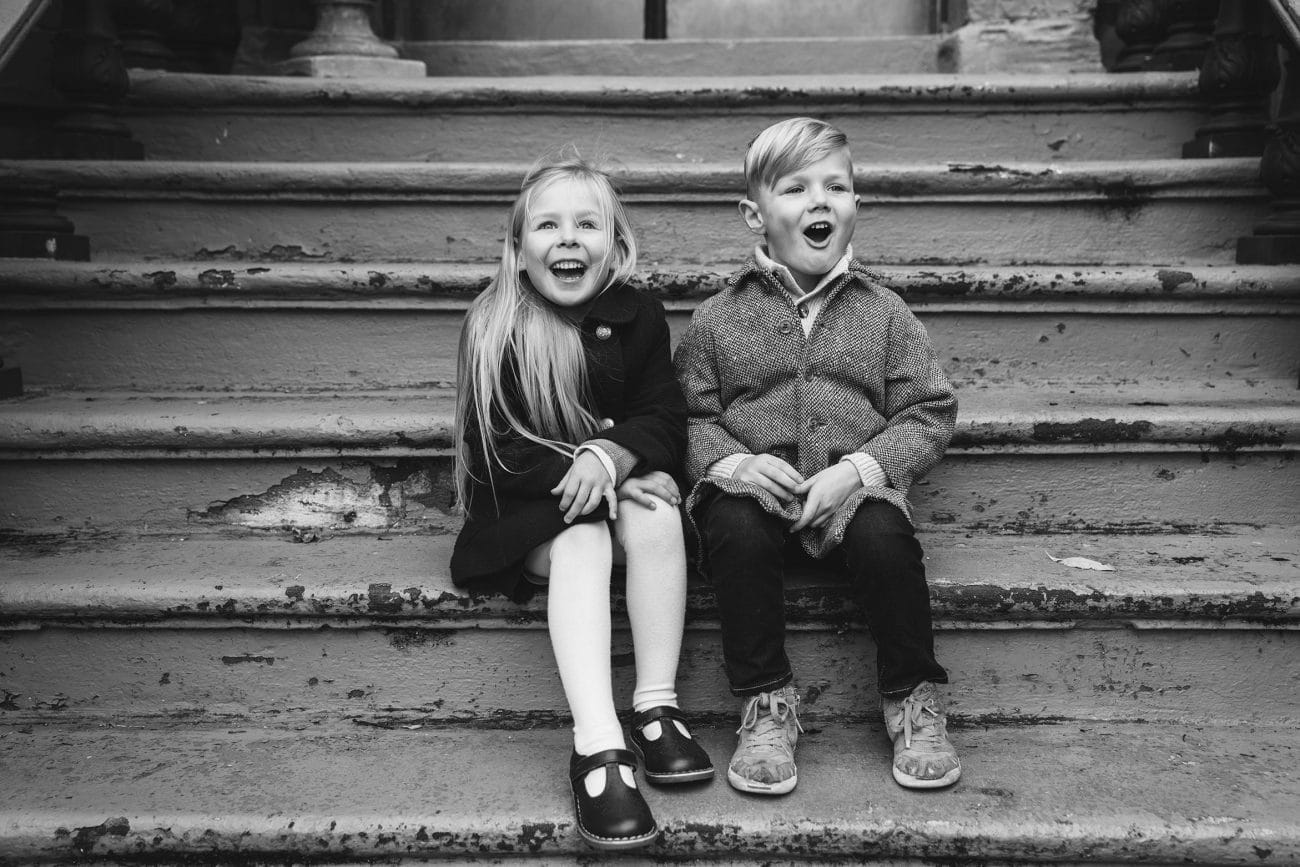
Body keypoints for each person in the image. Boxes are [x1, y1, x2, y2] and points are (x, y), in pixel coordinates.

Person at [673, 117, 960, 795]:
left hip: (852, 490)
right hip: (753, 491)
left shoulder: (885, 313)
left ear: (857, 204)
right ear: (755, 214)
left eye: (837, 186)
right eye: (797, 188)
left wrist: (858, 471)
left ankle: (912, 697)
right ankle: (765, 702)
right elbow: (687, 416)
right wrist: (732, 465)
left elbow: (930, 409)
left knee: (887, 539)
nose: (820, 201)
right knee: (735, 532)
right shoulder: (717, 318)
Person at [450, 153, 713, 851]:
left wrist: (613, 458)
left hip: (603, 489)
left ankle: (656, 704)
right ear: (517, 250)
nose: (567, 239)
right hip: (522, 513)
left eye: (586, 224)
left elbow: (665, 417)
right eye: (547, 225)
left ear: (615, 246)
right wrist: (592, 471)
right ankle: (598, 747)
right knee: (585, 532)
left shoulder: (639, 316)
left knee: (658, 510)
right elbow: (497, 449)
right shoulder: (494, 324)